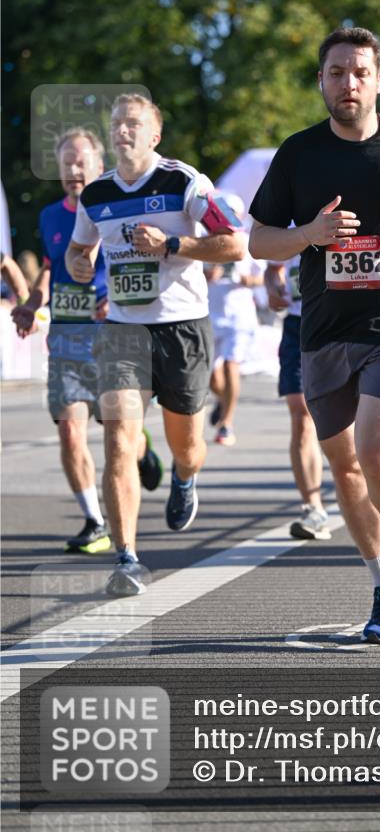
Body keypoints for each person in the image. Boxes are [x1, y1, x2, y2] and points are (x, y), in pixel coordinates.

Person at [248, 26, 380, 644]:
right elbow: (258, 240)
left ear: (378, 80)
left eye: (360, 72)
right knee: (344, 468)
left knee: (376, 451)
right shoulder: (299, 153)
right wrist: (308, 234)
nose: (349, 83)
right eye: (337, 72)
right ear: (321, 80)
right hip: (324, 328)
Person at [65, 94, 245, 596]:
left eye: (133, 123)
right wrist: (79, 263)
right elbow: (80, 250)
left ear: (155, 135)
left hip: (182, 328)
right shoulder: (96, 193)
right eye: (116, 123)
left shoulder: (184, 182)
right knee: (119, 441)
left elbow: (234, 243)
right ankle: (126, 558)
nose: (123, 130)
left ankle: (185, 477)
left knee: (186, 445)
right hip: (122, 330)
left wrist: (172, 244)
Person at [11, 128, 164, 554]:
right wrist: (32, 304)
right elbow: (50, 268)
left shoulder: (116, 208)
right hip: (66, 340)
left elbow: (144, 265)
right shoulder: (49, 216)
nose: (73, 171)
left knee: (120, 436)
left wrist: (117, 299)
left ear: (99, 166)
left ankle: (142, 449)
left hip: (114, 337)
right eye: (66, 164)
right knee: (69, 430)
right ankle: (95, 521)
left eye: (80, 163)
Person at [264, 255, 331, 540]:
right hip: (297, 324)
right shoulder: (287, 226)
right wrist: (272, 288)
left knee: (351, 419)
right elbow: (273, 267)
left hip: (342, 322)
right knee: (301, 416)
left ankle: (366, 492)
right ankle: (313, 508)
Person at [206, 192, 265, 446]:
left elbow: (261, 277)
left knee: (231, 366)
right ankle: (223, 400)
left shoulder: (246, 242)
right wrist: (208, 275)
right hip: (210, 317)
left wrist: (245, 280)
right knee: (212, 378)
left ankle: (226, 424)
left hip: (239, 317)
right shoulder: (205, 242)